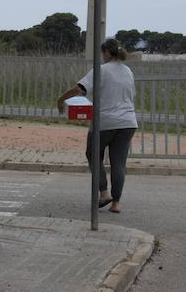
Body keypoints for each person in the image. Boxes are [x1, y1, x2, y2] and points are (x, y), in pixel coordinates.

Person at [55, 38, 138, 213]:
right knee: (118, 163)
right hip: (128, 123)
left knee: (93, 154)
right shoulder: (128, 71)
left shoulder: (102, 70)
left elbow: (80, 88)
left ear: (107, 52)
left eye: (103, 53)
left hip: (105, 122)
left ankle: (104, 193)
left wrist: (61, 99)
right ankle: (116, 204)